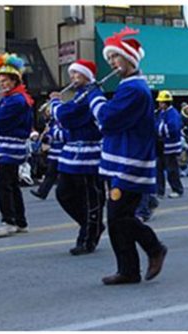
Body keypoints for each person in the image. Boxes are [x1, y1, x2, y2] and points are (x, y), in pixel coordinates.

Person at [90, 27, 167, 284]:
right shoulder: (127, 87)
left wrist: (93, 98)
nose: (112, 62)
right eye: (110, 58)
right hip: (120, 160)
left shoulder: (134, 89)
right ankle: (128, 269)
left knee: (118, 216)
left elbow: (108, 118)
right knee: (117, 219)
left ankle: (153, 247)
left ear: (130, 60)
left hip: (130, 162)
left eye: (117, 58)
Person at [48, 58, 107, 256]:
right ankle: (92, 225)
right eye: (71, 74)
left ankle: (88, 237)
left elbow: (68, 115)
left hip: (89, 155)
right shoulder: (79, 95)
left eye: (77, 74)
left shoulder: (90, 94)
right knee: (63, 193)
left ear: (87, 76)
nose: (73, 77)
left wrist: (55, 103)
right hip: (71, 154)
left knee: (91, 198)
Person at [0, 53, 34, 237]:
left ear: (14, 80)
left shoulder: (16, 100)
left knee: (3, 184)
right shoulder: (13, 98)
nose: (2, 84)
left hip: (10, 146)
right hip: (10, 145)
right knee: (11, 184)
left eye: (5, 81)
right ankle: (20, 221)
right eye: (1, 81)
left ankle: (9, 221)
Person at [154, 90, 184, 198]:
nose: (160, 104)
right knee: (158, 168)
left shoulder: (173, 113)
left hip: (170, 146)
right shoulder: (160, 113)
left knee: (171, 169)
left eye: (162, 102)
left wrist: (157, 128)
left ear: (167, 103)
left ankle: (177, 189)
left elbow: (173, 128)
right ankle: (159, 191)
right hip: (161, 145)